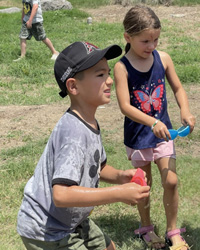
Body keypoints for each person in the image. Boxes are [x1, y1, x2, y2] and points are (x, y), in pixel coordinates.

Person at [17, 41, 150, 250]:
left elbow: (98, 167)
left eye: (107, 73)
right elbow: (61, 195)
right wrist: (119, 194)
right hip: (46, 229)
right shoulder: (73, 133)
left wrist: (121, 176)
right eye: (100, 75)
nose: (109, 81)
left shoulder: (89, 121)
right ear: (73, 86)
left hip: (72, 220)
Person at [114, 5, 195, 250]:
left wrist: (185, 110)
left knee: (170, 181)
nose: (152, 46)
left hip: (165, 133)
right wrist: (152, 122)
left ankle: (173, 230)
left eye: (156, 39)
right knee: (143, 185)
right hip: (139, 136)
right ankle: (146, 227)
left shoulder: (164, 59)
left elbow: (178, 88)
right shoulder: (121, 67)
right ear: (128, 37)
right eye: (145, 41)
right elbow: (125, 107)